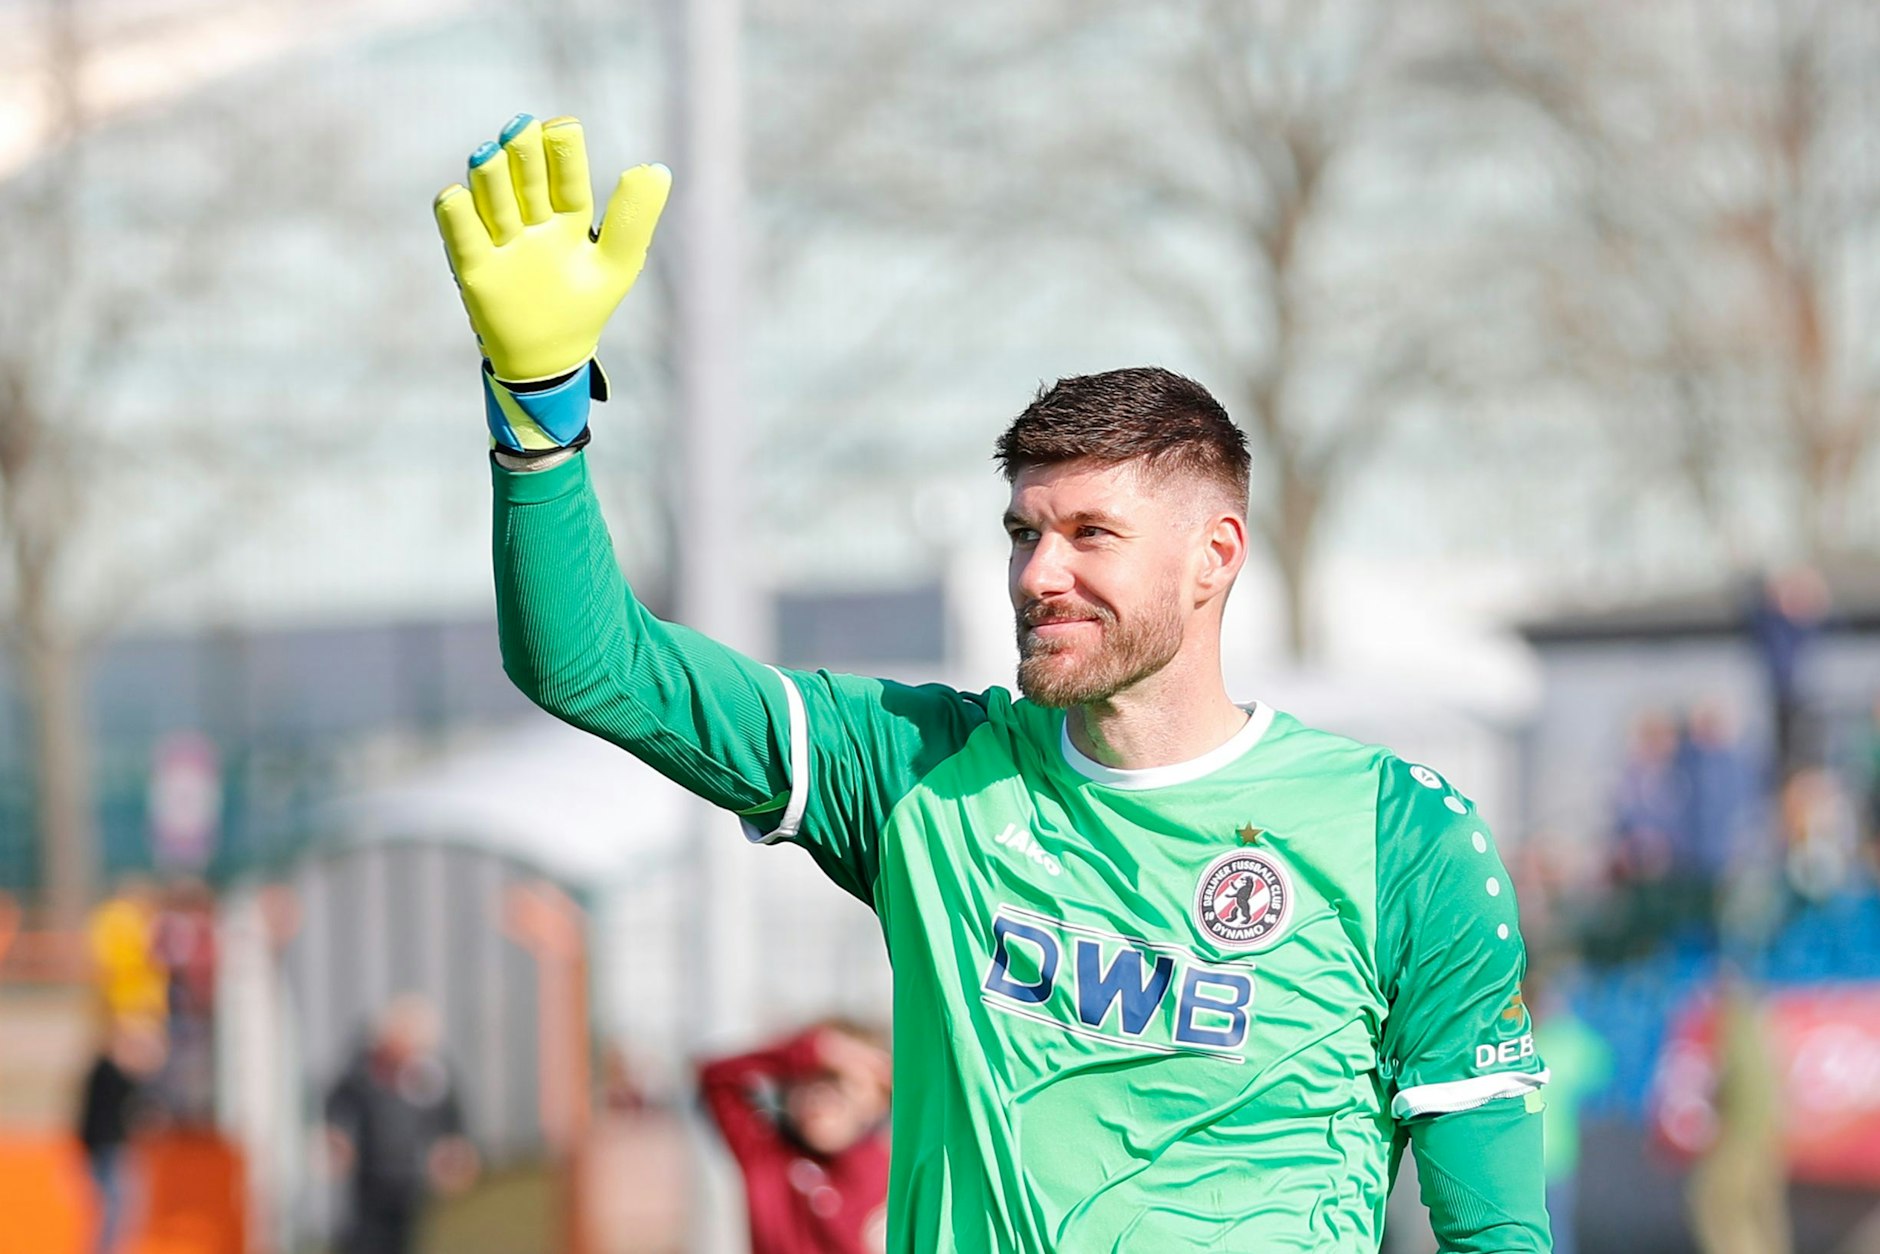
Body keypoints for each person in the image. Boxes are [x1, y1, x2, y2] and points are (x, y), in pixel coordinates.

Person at [434, 113, 1551, 1250]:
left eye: (1089, 533)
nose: (1039, 574)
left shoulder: (1396, 833)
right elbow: (591, 663)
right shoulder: (921, 774)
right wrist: (537, 406)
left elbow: (1495, 1227)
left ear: (1215, 554)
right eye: (1022, 532)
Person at [698, 1021, 892, 1254]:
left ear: (879, 1095)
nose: (820, 1098)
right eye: (809, 1080)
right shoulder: (767, 1155)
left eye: (838, 1083)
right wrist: (814, 1050)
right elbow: (717, 1077)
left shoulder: (891, 1173)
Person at [323, 996, 478, 1254]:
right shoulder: (364, 1069)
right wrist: (337, 1139)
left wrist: (454, 1151)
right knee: (362, 1241)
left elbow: (450, 1118)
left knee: (403, 1241)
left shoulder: (431, 1074)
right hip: (369, 1178)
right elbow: (338, 1105)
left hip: (410, 1181)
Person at [76, 1017, 167, 1254]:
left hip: (106, 1149)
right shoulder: (107, 1072)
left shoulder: (104, 1072)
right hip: (109, 1150)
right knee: (118, 1208)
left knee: (119, 1208)